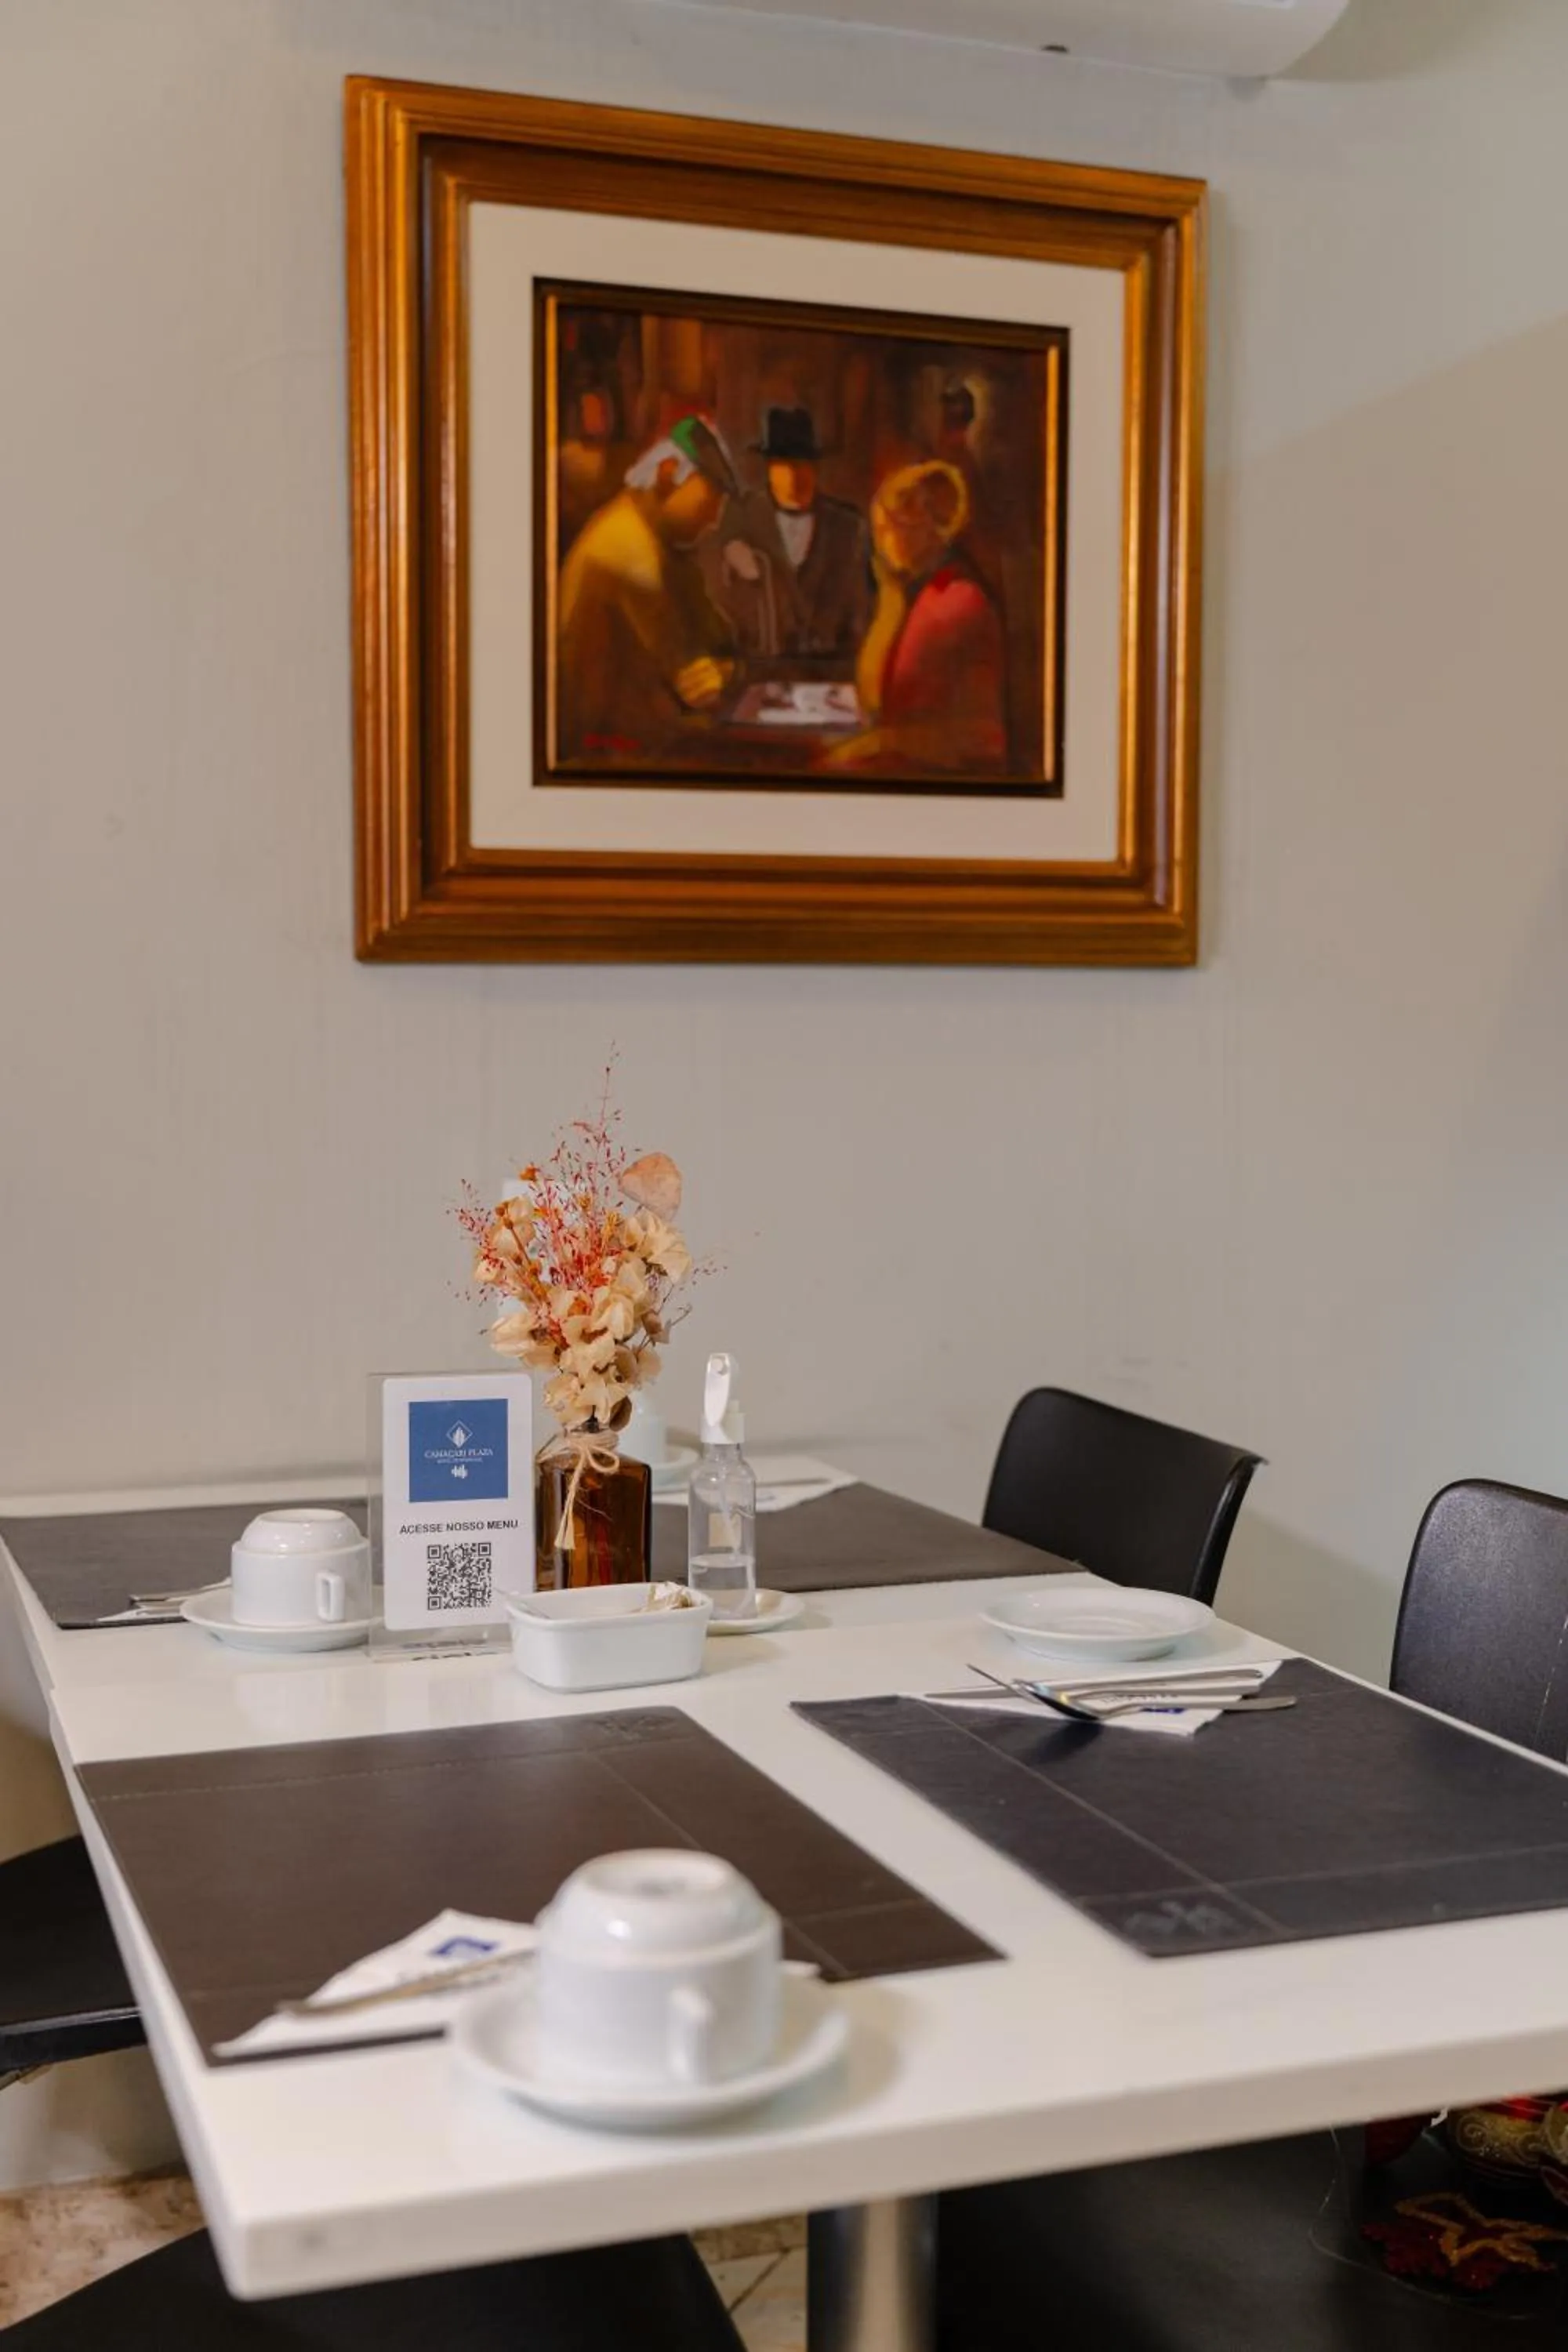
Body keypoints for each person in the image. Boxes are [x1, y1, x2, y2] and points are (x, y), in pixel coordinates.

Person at [556, 416, 741, 764]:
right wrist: (715, 677)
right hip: (608, 761)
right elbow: (688, 689)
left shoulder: (657, 541)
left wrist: (722, 668)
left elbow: (717, 640)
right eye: (709, 502)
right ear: (669, 473)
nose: (714, 520)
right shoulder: (628, 554)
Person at [822, 458, 1007, 778]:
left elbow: (980, 739)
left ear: (924, 528)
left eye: (886, 528)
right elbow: (873, 699)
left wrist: (883, 742)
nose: (878, 543)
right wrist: (889, 599)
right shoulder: (914, 596)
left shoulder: (959, 602)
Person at [708, 406, 871, 666]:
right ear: (769, 468)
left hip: (829, 676)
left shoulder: (849, 529)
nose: (795, 477)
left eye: (803, 465)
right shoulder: (739, 518)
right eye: (783, 466)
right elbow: (718, 604)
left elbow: (860, 616)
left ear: (816, 468)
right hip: (758, 672)